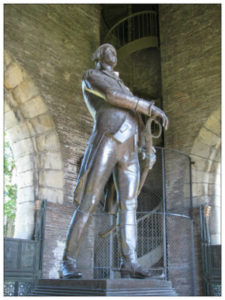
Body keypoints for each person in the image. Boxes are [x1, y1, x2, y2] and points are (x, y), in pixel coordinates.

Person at [60, 43, 168, 279]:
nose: (113, 53)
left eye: (114, 51)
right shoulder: (92, 76)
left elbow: (137, 119)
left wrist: (146, 148)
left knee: (129, 206)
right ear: (98, 56)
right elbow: (112, 97)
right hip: (107, 140)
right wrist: (149, 106)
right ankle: (67, 261)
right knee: (88, 202)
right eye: (107, 50)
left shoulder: (125, 86)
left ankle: (129, 262)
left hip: (128, 148)